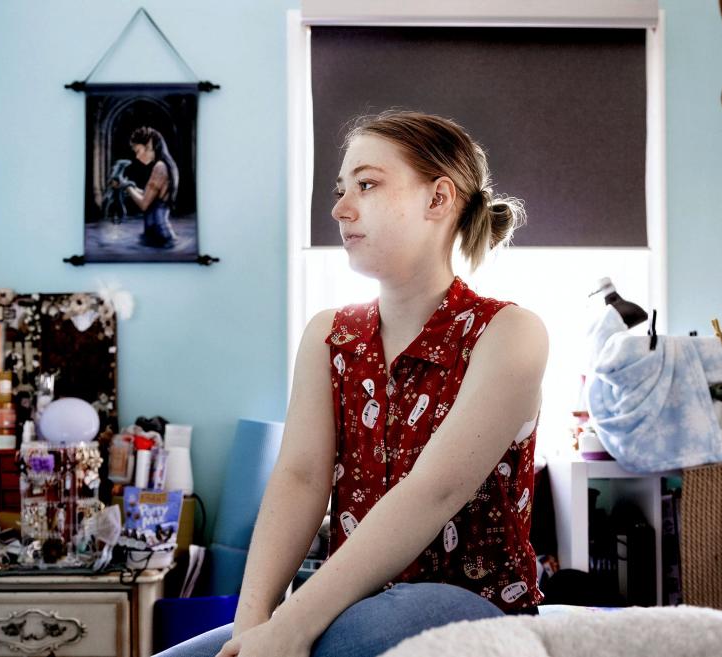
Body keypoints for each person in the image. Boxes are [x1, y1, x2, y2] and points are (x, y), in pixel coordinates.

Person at [156, 111, 548, 657]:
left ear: (438, 199)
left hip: (471, 611)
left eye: (366, 185)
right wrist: (253, 627)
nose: (340, 209)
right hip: (350, 609)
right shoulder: (329, 336)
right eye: (342, 190)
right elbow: (298, 479)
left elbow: (432, 491)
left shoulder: (509, 334)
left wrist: (294, 623)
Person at [122, 126, 179, 248]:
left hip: (160, 238)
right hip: (156, 238)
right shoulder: (165, 165)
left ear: (148, 145)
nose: (137, 157)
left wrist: (127, 187)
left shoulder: (160, 167)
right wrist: (131, 187)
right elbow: (151, 196)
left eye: (137, 151)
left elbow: (144, 204)